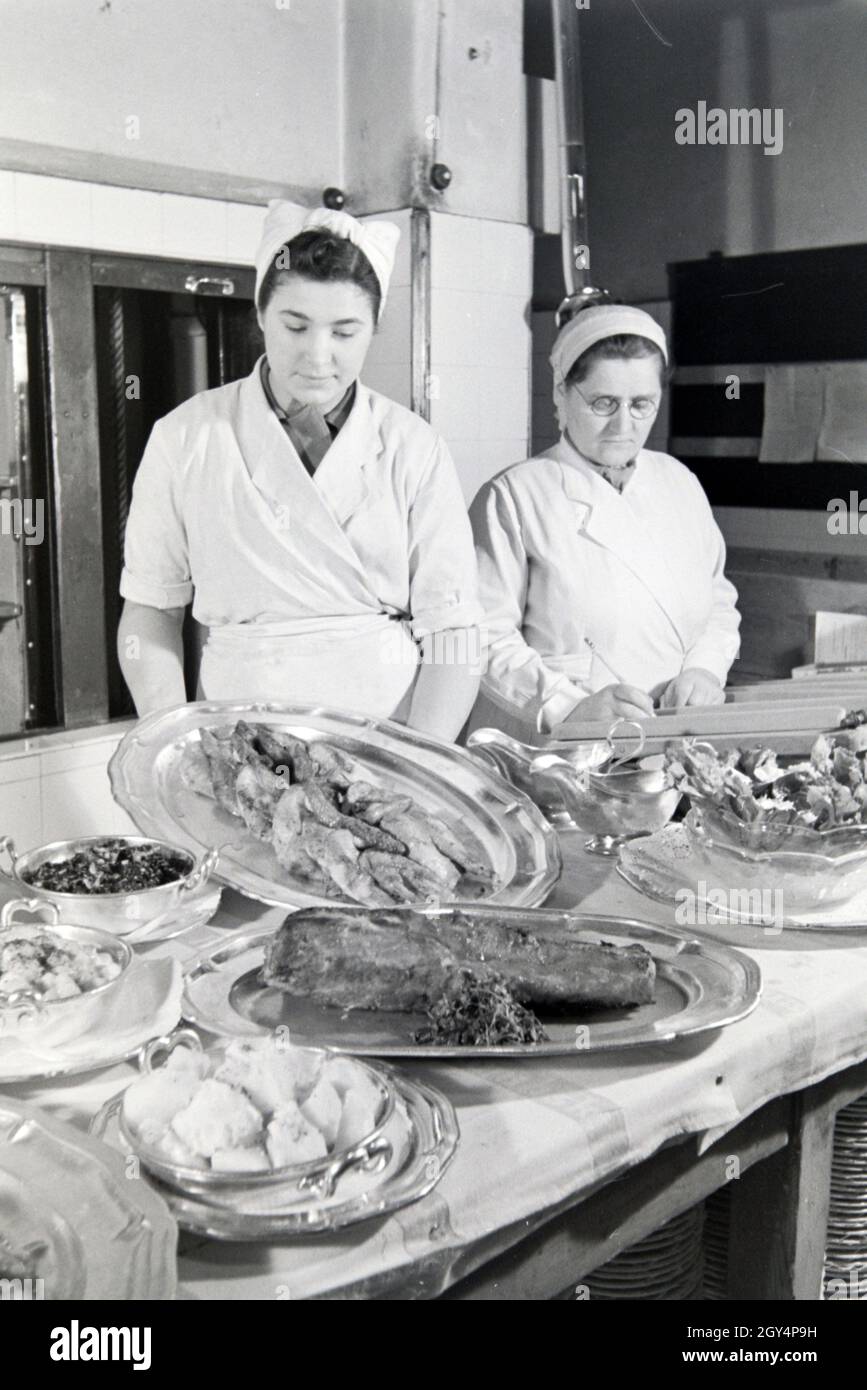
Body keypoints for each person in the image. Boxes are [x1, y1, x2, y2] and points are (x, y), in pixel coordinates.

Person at [118, 201, 482, 741]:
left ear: (373, 329)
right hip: (237, 740)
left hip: (387, 736)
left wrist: (424, 762)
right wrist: (173, 743)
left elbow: (454, 630)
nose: (318, 355)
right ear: (261, 315)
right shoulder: (185, 437)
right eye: (296, 325)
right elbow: (150, 611)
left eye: (344, 332)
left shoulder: (414, 447)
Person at [469, 293, 740, 737]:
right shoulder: (516, 495)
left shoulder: (679, 481)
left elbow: (719, 603)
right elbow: (483, 637)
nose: (623, 426)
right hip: (561, 744)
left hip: (672, 736)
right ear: (562, 393)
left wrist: (705, 671)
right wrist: (569, 705)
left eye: (641, 404)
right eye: (603, 403)